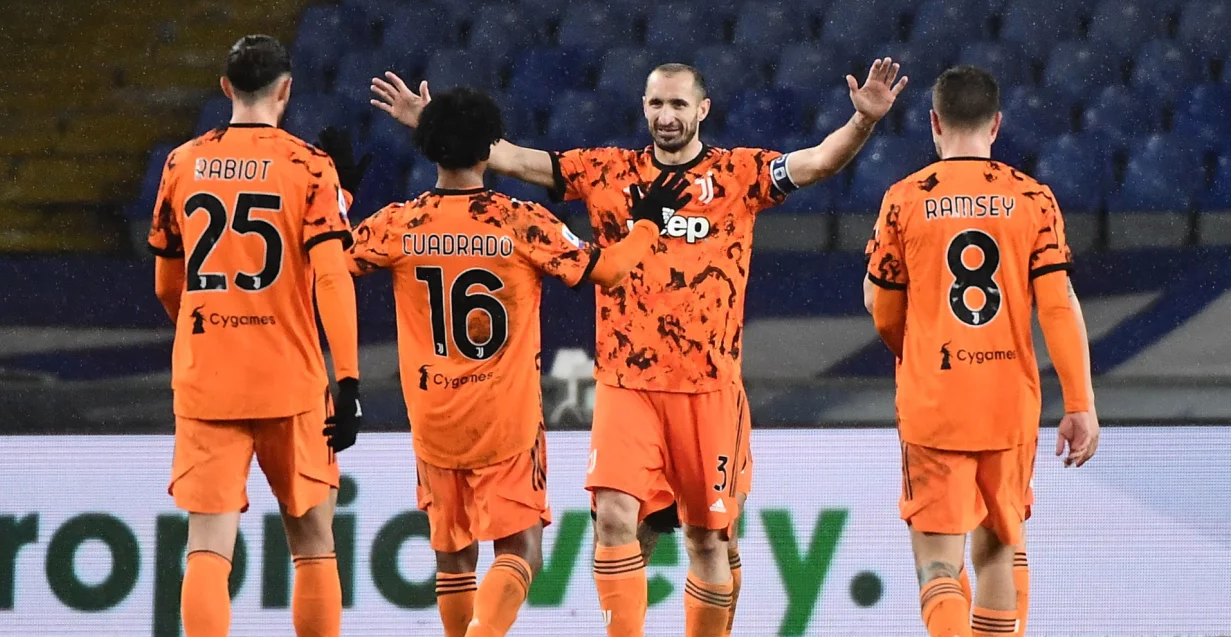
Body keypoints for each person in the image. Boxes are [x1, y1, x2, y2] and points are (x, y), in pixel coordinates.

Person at [371, 57, 906, 637]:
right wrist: (439, 126)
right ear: (643, 108)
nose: (666, 115)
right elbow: (516, 159)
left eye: (679, 104)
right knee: (614, 519)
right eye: (656, 103)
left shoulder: (738, 175)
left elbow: (819, 162)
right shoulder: (606, 171)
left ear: (703, 110)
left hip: (708, 388)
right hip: (626, 383)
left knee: (708, 538)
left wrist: (864, 123)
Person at [345, 87, 685, 637]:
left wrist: (338, 194)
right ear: (489, 150)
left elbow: (328, 264)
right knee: (521, 550)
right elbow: (609, 271)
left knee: (453, 556)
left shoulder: (398, 223)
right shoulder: (521, 222)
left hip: (433, 417)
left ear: (431, 148)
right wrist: (646, 222)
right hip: (505, 417)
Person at [864, 65, 1100, 637]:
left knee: (939, 564)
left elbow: (883, 306)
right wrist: (1080, 403)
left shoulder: (904, 199)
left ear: (933, 123)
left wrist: (913, 350)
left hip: (935, 402)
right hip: (1008, 404)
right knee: (999, 549)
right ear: (996, 124)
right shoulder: (1033, 198)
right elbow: (1059, 307)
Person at [148, 35, 366, 637]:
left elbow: (169, 284)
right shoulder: (309, 166)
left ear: (225, 89)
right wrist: (347, 377)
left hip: (207, 382)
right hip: (290, 382)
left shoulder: (182, 162)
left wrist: (210, 331)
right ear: (286, 90)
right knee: (313, 541)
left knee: (208, 549)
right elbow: (331, 277)